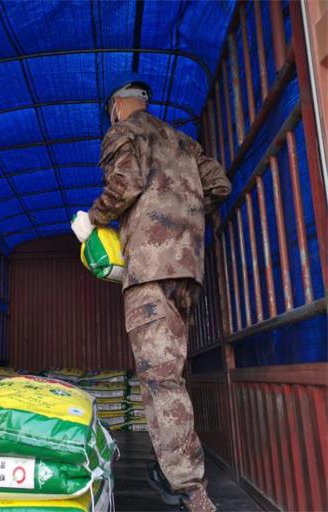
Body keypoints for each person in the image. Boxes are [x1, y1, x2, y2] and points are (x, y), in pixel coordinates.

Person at [71, 80, 231, 512]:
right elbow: (219, 185)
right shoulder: (185, 142)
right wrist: (183, 213)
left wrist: (92, 220)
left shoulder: (124, 132)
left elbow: (125, 183)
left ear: (117, 107)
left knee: (161, 381)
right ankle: (172, 468)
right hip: (188, 272)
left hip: (150, 273)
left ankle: (191, 491)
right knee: (172, 373)